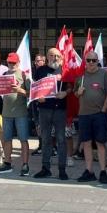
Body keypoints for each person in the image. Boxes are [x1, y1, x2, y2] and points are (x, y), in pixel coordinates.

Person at [75, 51, 107, 184]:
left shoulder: (104, 74)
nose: (91, 62)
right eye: (89, 60)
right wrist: (78, 93)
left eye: (94, 60)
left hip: (99, 114)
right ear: (85, 61)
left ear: (98, 61)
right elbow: (75, 93)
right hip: (84, 114)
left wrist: (104, 110)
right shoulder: (81, 76)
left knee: (100, 143)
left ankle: (103, 171)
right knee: (86, 143)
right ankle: (89, 171)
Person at [33, 47, 71, 180]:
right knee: (46, 140)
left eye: (57, 56)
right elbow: (35, 87)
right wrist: (38, 96)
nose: (54, 58)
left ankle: (62, 170)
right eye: (51, 55)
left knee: (61, 140)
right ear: (47, 57)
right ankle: (45, 168)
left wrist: (65, 93)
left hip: (60, 109)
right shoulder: (40, 70)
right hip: (44, 109)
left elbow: (70, 87)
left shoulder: (65, 70)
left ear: (60, 57)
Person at [0, 52, 31, 176]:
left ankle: (25, 165)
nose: (11, 64)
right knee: (7, 139)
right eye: (10, 62)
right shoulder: (4, 75)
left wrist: (19, 90)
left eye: (14, 62)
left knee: (23, 139)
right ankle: (7, 163)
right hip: (6, 113)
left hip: (20, 113)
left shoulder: (24, 75)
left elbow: (31, 93)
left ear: (19, 62)